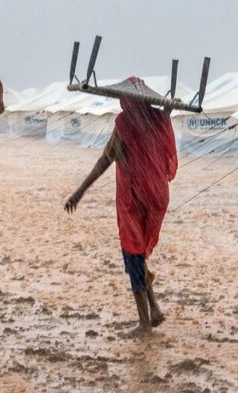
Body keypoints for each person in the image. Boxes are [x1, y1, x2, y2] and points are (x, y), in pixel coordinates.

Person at [65, 77, 178, 336]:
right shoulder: (158, 119)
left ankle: (144, 323)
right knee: (139, 254)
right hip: (158, 198)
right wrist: (168, 110)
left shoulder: (125, 124)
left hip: (135, 200)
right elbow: (165, 122)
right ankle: (155, 308)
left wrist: (79, 192)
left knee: (132, 254)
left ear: (125, 100)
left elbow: (105, 160)